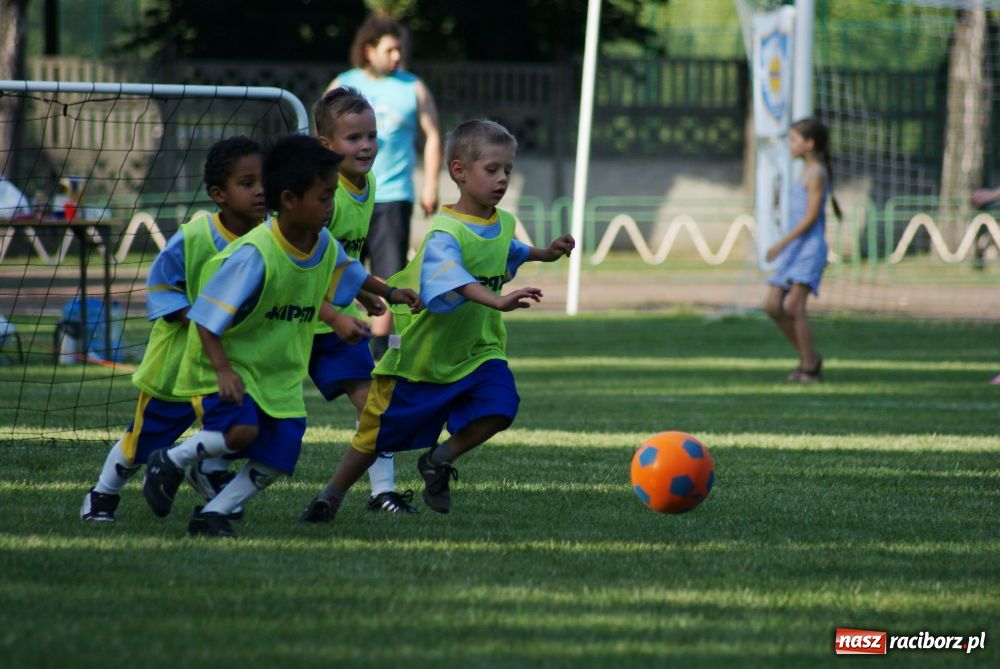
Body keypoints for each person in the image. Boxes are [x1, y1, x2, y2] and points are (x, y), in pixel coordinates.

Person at [141, 134, 421, 538]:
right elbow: (205, 318)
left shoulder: (321, 243)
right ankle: (172, 459)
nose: (331, 206)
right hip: (229, 367)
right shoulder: (255, 253)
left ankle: (213, 514)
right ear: (289, 199)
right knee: (242, 431)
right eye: (324, 197)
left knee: (278, 457)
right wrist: (222, 370)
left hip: (277, 373)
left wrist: (389, 293)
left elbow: (349, 271)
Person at [299, 119, 574, 523]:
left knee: (501, 407)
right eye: (492, 169)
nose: (503, 179)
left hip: (478, 351)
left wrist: (544, 253)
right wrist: (496, 300)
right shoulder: (445, 232)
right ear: (459, 171)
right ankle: (330, 497)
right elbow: (455, 279)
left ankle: (438, 459)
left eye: (508, 170)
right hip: (424, 361)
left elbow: (506, 248)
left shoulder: (503, 222)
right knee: (374, 433)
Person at [80, 136, 265, 522]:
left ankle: (207, 470)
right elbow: (162, 286)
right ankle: (102, 495)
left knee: (246, 425)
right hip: (178, 363)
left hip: (233, 362)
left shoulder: (270, 239)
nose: (260, 190)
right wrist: (199, 319)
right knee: (144, 441)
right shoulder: (195, 237)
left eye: (264, 180)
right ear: (219, 194)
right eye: (247, 183)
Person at [310, 87, 417, 513]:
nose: (367, 145)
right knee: (253, 417)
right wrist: (342, 306)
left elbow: (341, 258)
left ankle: (381, 492)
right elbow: (299, 269)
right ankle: (189, 461)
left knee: (375, 405)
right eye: (354, 138)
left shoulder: (369, 184)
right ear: (326, 145)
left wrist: (370, 291)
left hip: (333, 324)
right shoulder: (322, 196)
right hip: (287, 320)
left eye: (371, 136)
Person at [328, 14, 442, 359]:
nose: (397, 56)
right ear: (368, 50)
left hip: (393, 196)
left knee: (389, 274)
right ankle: (330, 332)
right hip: (344, 196)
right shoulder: (343, 84)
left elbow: (433, 135)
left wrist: (431, 184)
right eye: (390, 50)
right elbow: (319, 135)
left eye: (399, 50)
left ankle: (379, 350)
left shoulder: (413, 86)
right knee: (336, 265)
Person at [763, 118, 842, 383]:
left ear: (809, 144)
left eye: (794, 139)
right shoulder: (804, 171)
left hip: (808, 248)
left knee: (794, 306)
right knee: (772, 305)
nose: (789, 144)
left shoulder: (817, 173)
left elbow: (810, 218)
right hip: (794, 248)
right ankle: (810, 357)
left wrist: (780, 244)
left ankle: (809, 368)